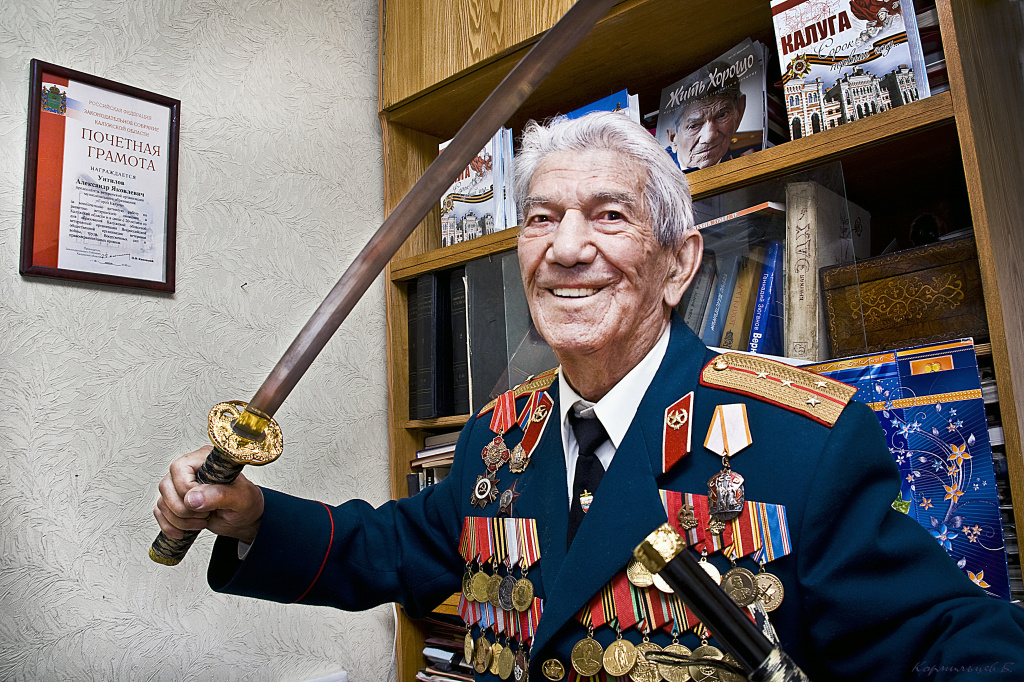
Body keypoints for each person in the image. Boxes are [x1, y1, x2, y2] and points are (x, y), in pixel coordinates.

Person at [155, 111, 1024, 681]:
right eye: (542, 218)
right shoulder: (501, 435)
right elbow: (394, 548)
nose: (566, 249)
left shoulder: (803, 441)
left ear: (678, 263)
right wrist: (252, 516)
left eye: (610, 216)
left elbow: (952, 642)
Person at [664, 63, 753, 172]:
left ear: (740, 110)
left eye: (722, 115)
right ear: (672, 138)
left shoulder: (756, 149)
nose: (709, 136)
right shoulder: (653, 173)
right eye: (694, 126)